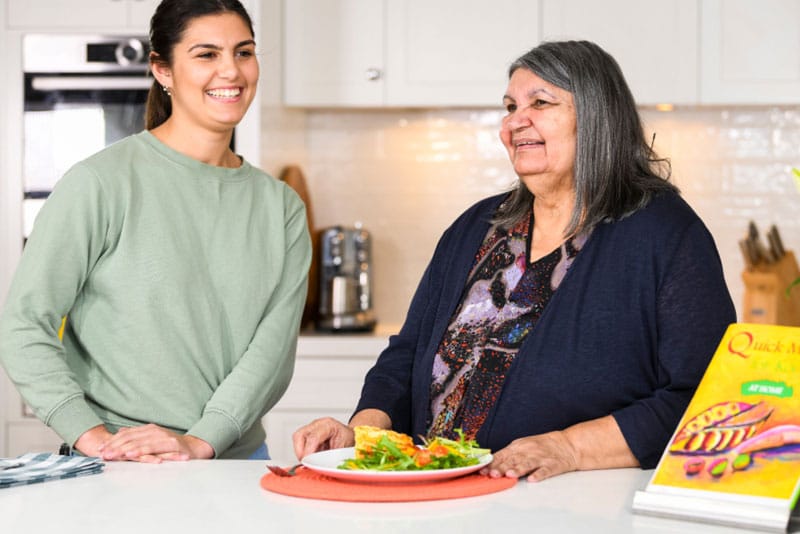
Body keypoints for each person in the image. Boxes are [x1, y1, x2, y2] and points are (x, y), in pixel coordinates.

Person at [293, 40, 736, 481]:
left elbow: (703, 397)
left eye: (540, 102)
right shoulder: (477, 226)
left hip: (579, 504)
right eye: (509, 107)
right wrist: (363, 434)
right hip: (436, 491)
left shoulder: (666, 233)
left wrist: (569, 448)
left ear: (599, 117)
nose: (513, 123)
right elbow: (406, 356)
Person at [0, 0, 311, 462]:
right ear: (162, 70)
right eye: (206, 55)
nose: (231, 71)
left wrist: (200, 441)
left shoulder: (280, 206)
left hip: (236, 461)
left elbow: (272, 351)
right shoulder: (100, 183)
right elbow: (25, 324)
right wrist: (93, 439)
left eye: (243, 52)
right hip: (121, 461)